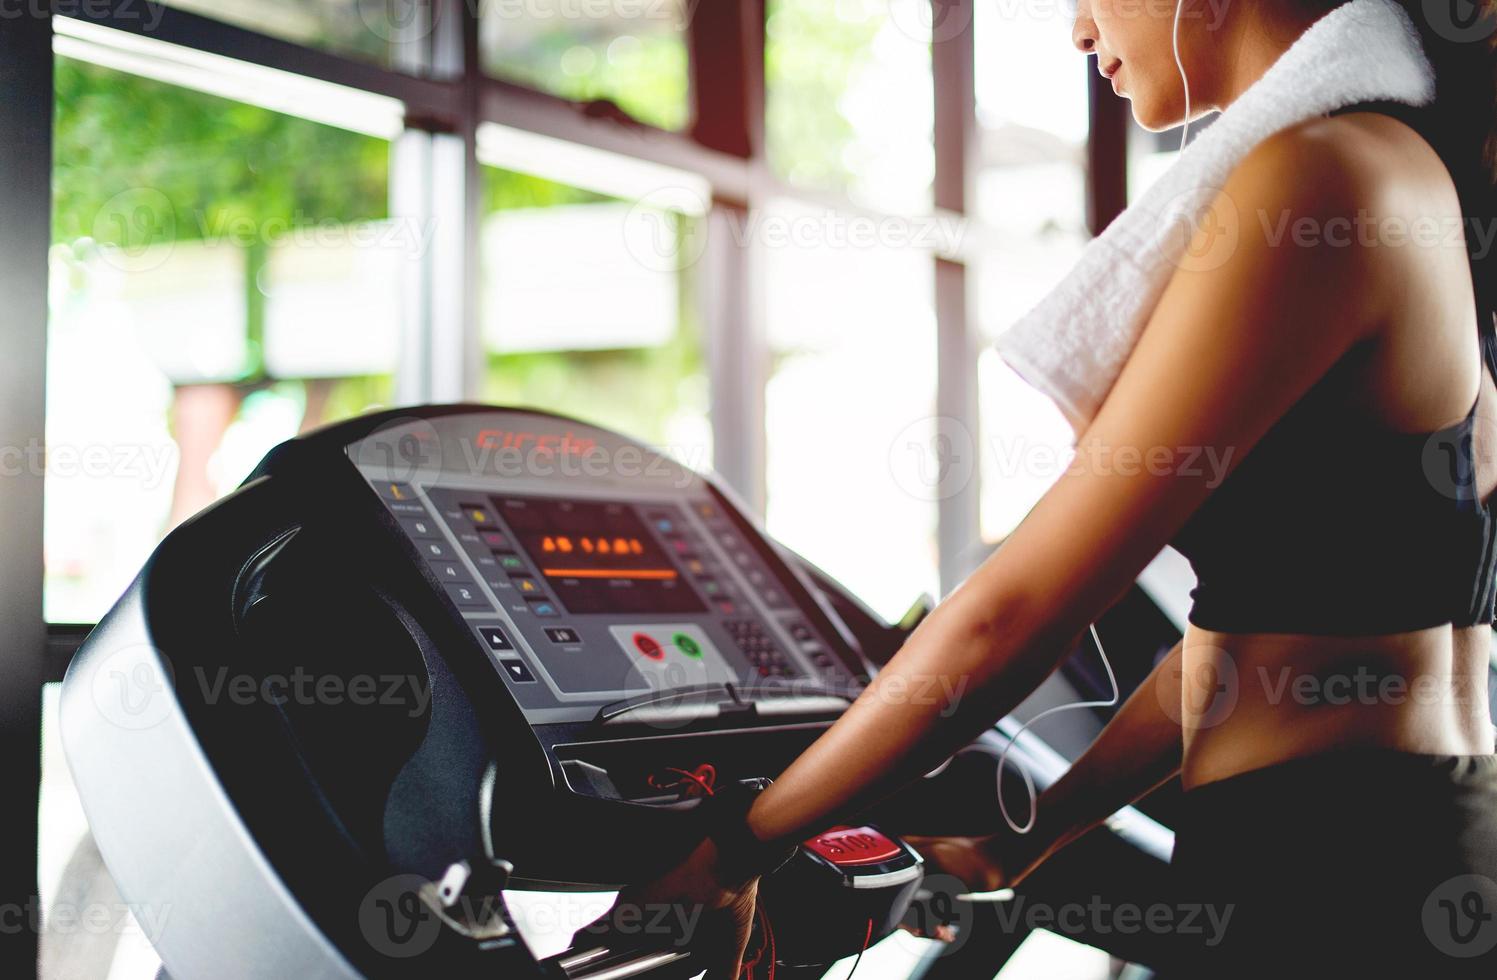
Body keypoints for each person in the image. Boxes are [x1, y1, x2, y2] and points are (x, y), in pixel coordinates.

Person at [596, 0, 1497, 974]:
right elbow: (1270, 626)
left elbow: (1016, 611)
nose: (1076, 31)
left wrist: (732, 851)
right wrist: (1039, 828)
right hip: (1384, 840)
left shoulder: (1319, 177)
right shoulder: (1408, 167)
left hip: (1331, 875)